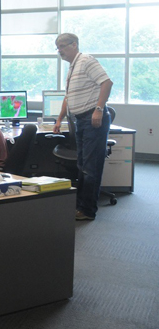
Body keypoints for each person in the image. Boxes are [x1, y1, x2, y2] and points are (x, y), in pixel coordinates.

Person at [52, 33, 112, 221]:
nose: (59, 50)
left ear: (74, 44)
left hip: (91, 119)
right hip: (80, 120)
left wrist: (99, 109)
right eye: (57, 47)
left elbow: (107, 82)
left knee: (90, 168)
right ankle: (80, 206)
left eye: (62, 46)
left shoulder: (86, 60)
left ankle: (87, 210)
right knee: (82, 165)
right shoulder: (72, 67)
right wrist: (59, 119)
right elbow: (68, 97)